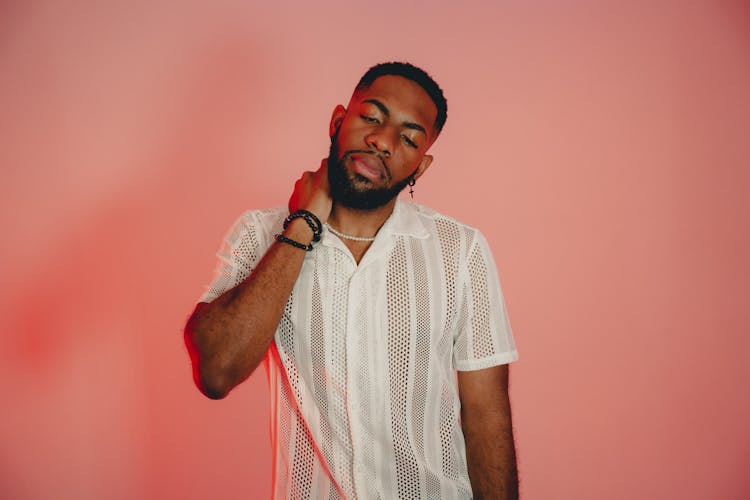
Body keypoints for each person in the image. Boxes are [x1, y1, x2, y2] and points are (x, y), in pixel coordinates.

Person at [184, 62, 519, 499]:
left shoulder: (460, 250)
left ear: (421, 166)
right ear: (339, 120)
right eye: (371, 118)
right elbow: (217, 371)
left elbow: (486, 416)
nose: (382, 140)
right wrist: (302, 225)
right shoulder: (259, 234)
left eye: (409, 137)